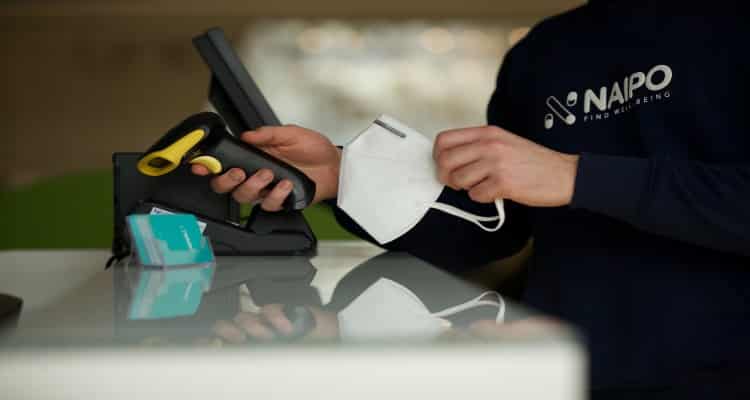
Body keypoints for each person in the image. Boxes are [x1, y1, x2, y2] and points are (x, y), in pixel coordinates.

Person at [193, 1, 750, 398]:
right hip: (558, 372)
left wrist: (576, 175)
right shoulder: (545, 51)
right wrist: (345, 177)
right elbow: (496, 229)